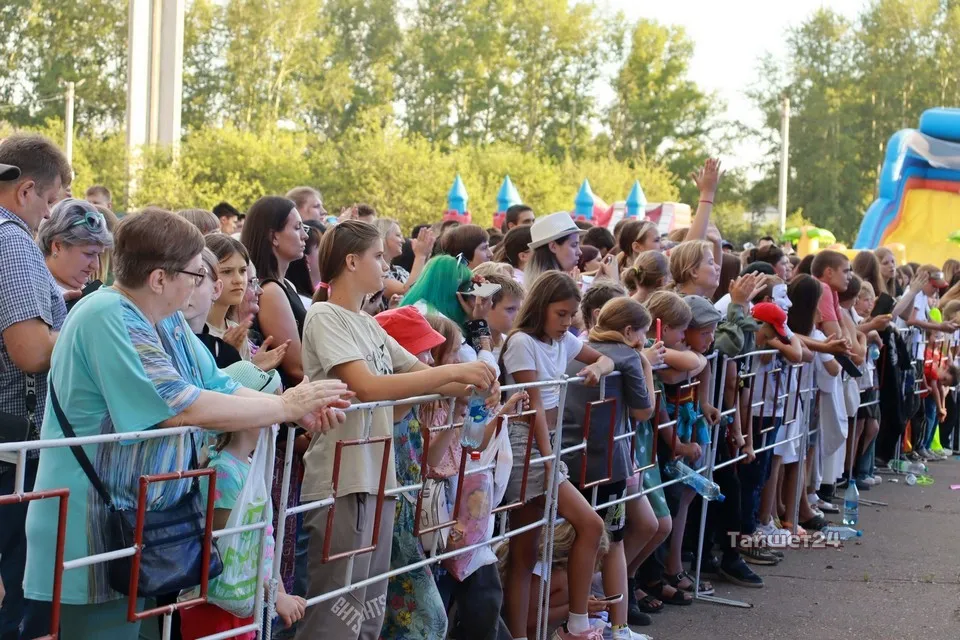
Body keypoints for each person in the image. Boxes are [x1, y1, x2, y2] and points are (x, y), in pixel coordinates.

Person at [20, 209, 351, 639]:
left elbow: (217, 384)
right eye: (196, 274)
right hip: (95, 527)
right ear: (160, 278)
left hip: (145, 524)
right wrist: (284, 407)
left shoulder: (166, 318)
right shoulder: (107, 313)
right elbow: (178, 405)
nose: (202, 285)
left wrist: (292, 409)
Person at [296, 220, 497, 640]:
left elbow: (422, 376)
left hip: (378, 478)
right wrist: (456, 373)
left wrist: (475, 387)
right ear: (352, 262)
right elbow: (367, 387)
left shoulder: (368, 323)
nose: (386, 265)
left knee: (369, 615)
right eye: (378, 256)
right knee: (336, 617)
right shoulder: (324, 315)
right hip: (344, 479)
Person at [500, 271, 616, 640]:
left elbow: (606, 360)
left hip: (548, 442)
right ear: (541, 308)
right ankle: (574, 626)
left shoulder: (563, 341)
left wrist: (595, 367)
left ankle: (540, 632)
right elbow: (534, 405)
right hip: (527, 444)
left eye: (571, 315)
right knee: (588, 526)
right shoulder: (522, 342)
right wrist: (549, 462)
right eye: (560, 314)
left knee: (526, 553)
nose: (567, 322)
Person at [0, 135, 72, 640]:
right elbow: (28, 351)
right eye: (49, 200)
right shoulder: (12, 240)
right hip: (14, 456)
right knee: (17, 605)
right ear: (25, 190)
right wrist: (82, 331)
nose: (49, 214)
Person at [562, 297, 658, 640]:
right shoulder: (628, 356)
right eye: (643, 333)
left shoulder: (577, 348)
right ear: (629, 331)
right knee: (613, 543)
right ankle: (619, 626)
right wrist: (646, 366)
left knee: (572, 541)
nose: (645, 340)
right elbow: (644, 411)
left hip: (568, 459)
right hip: (608, 464)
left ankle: (581, 621)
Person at [241, 196, 309, 390]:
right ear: (274, 237)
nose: (305, 236)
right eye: (297, 228)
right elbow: (296, 368)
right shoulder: (270, 291)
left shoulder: (285, 285)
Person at [37, 198, 114, 305]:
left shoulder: (94, 290)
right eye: (89, 254)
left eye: (99, 255)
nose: (95, 266)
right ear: (58, 246)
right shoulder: (35, 297)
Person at [373, 218, 435, 301]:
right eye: (398, 235)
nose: (403, 241)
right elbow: (408, 292)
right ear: (383, 237)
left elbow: (422, 287)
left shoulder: (400, 270)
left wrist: (426, 257)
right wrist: (420, 256)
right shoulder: (375, 272)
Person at [524, 212, 583, 285]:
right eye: (574, 245)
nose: (579, 252)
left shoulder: (538, 282)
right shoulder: (555, 287)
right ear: (553, 247)